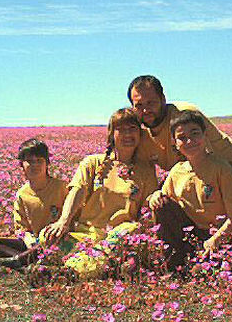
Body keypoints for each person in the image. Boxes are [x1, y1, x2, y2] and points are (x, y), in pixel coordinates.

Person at [42, 108, 158, 276]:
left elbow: (148, 206)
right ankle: (79, 264)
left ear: (140, 134)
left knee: (128, 231)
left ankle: (69, 272)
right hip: (85, 234)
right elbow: (77, 190)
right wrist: (63, 222)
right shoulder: (93, 163)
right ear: (111, 135)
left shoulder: (146, 170)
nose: (127, 135)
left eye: (132, 129)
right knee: (47, 236)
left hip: (117, 235)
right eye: (121, 129)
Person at [148, 110, 232, 269]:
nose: (189, 141)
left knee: (208, 270)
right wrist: (154, 196)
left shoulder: (221, 168)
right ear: (175, 143)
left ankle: (191, 260)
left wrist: (215, 240)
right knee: (161, 205)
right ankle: (174, 259)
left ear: (205, 136)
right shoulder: (178, 170)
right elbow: (163, 198)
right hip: (189, 233)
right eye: (182, 138)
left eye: (195, 134)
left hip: (218, 233)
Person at [128, 75, 232, 194]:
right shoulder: (142, 134)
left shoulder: (184, 116)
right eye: (139, 105)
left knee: (197, 195)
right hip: (193, 174)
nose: (146, 110)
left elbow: (208, 161)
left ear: (163, 99)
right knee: (162, 201)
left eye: (151, 103)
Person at [0, 138, 68, 267]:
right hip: (34, 243)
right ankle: (27, 260)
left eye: (39, 161)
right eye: (30, 161)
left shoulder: (62, 187)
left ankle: (17, 261)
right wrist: (29, 239)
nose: (35, 165)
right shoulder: (22, 194)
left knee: (43, 248)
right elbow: (21, 228)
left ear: (47, 163)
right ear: (22, 165)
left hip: (58, 240)